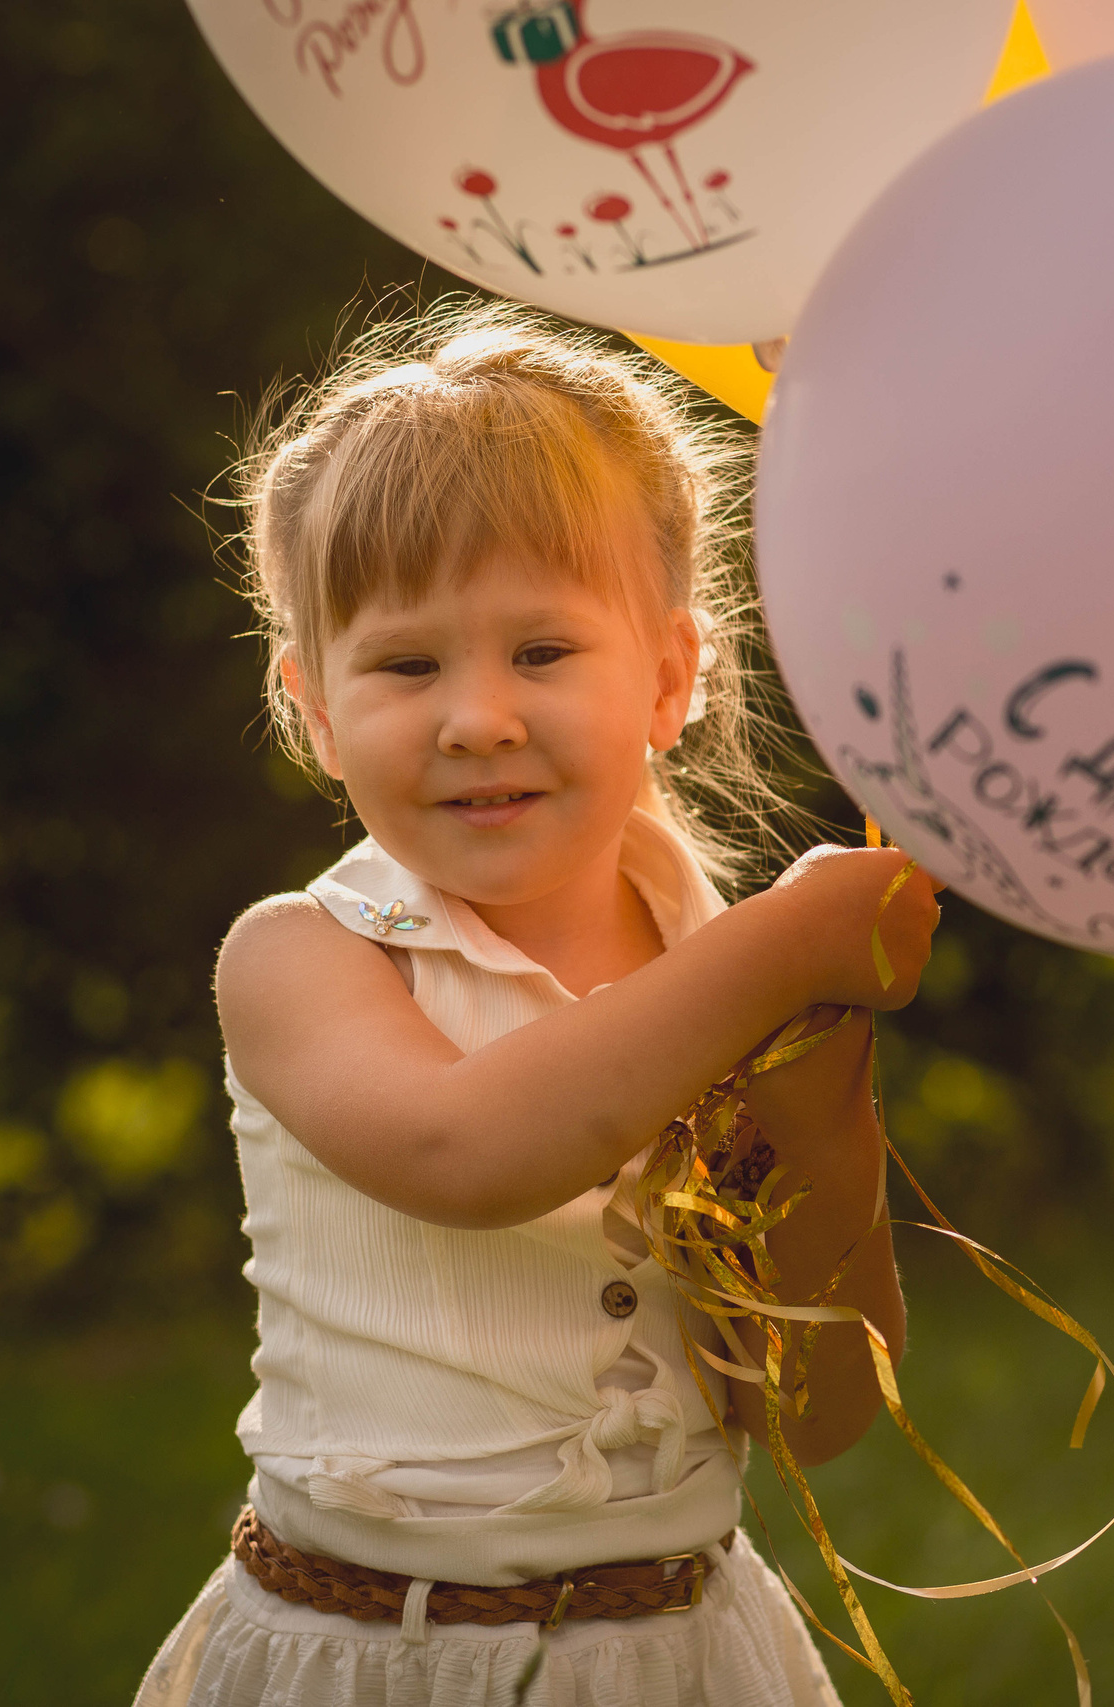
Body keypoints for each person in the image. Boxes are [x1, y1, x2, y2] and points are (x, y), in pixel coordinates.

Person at [136, 300, 942, 1707]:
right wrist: (778, 953)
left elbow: (820, 1413)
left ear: (670, 679)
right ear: (314, 707)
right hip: (380, 1654)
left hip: (672, 1652)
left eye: (544, 653)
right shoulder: (306, 958)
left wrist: (820, 1112)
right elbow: (467, 1150)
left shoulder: (721, 962)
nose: (479, 719)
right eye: (406, 665)